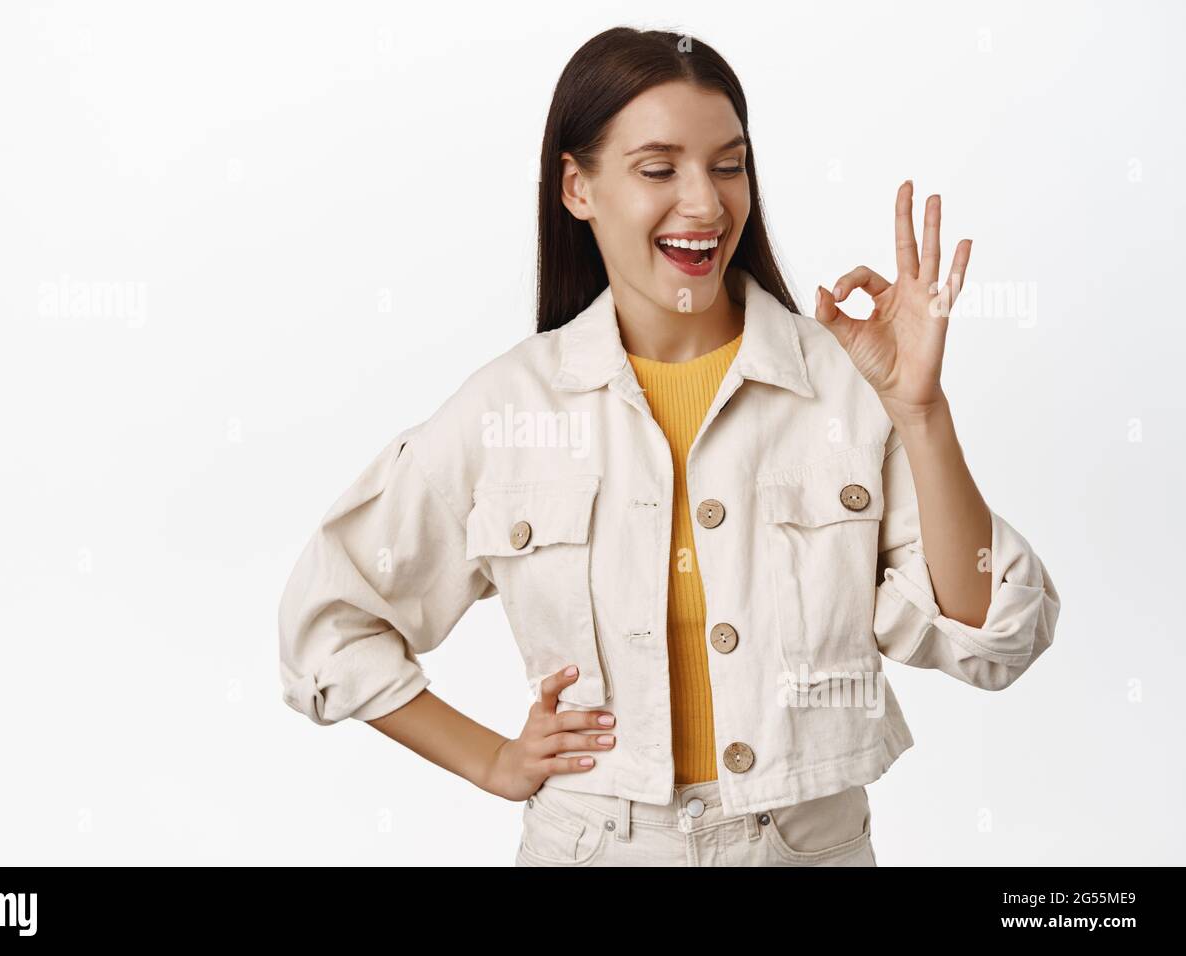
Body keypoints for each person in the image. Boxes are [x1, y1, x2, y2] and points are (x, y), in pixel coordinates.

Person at [277, 26, 1061, 866]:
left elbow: (997, 636)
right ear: (577, 187)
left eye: (729, 166)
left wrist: (921, 411)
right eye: (660, 170)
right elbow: (330, 622)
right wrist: (491, 760)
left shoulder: (841, 386)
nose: (706, 204)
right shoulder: (511, 406)